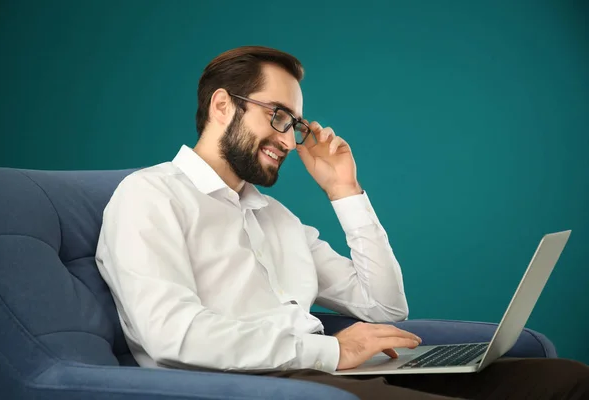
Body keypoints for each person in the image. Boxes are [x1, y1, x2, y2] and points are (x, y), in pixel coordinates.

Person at [95, 45, 589, 399]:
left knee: (566, 378)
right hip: (248, 383)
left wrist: (344, 191)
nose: (290, 141)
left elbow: (385, 306)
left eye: (296, 124)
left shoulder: (274, 217)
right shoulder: (148, 196)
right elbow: (170, 335)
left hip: (326, 372)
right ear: (223, 105)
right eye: (278, 116)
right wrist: (331, 352)